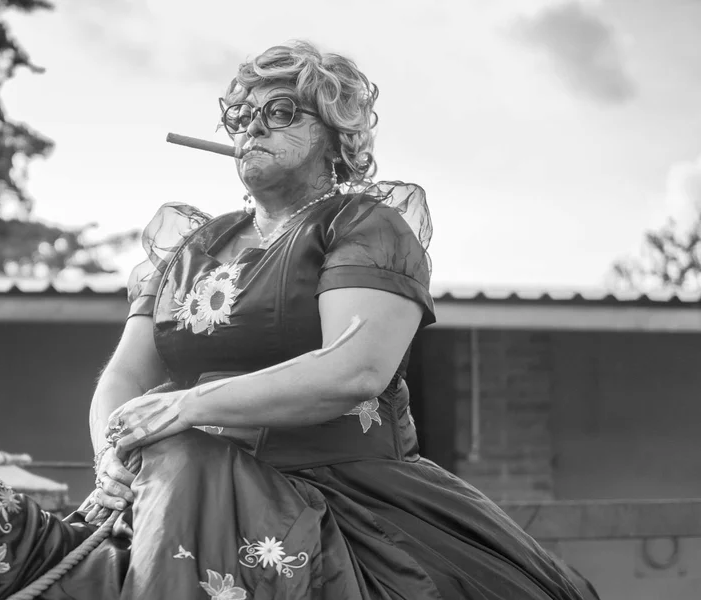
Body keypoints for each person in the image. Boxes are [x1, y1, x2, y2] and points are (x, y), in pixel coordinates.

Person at [73, 39, 602, 599]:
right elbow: (126, 378)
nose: (253, 127)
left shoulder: (362, 227)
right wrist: (112, 457)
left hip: (345, 493)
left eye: (280, 112)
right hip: (183, 488)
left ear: (337, 136)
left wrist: (182, 408)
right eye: (242, 116)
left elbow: (354, 371)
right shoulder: (189, 247)